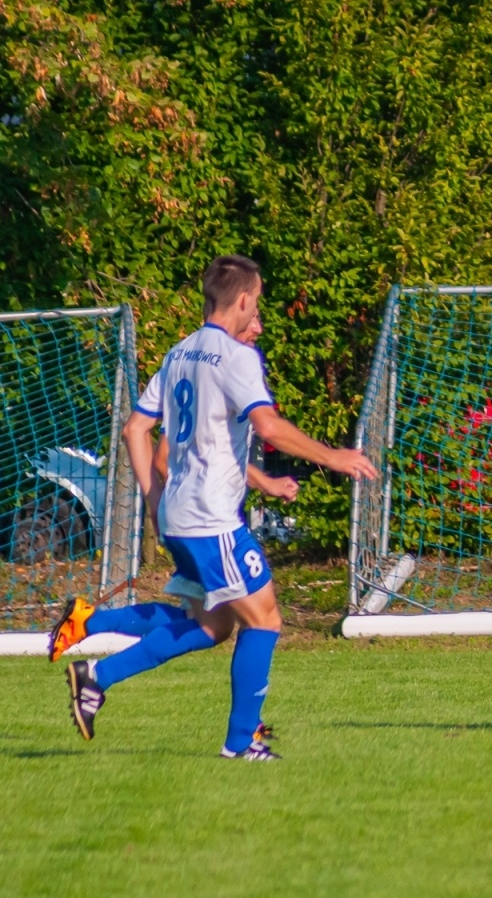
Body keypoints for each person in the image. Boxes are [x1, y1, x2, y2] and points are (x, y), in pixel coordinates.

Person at [63, 255, 377, 760]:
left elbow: (137, 431)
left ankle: (97, 671)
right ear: (245, 299)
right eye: (257, 303)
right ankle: (240, 743)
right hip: (212, 520)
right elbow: (270, 427)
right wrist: (333, 456)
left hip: (179, 517)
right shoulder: (236, 358)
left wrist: (151, 498)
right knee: (266, 620)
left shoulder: (179, 353)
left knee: (213, 626)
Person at [47, 313, 299, 661]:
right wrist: (160, 501)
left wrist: (264, 482)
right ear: (235, 309)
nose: (258, 326)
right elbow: (165, 457)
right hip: (202, 522)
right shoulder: (204, 372)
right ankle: (95, 672)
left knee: (210, 624)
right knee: (255, 619)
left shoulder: (207, 366)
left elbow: (208, 454)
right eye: (253, 315)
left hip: (191, 518)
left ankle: (87, 624)